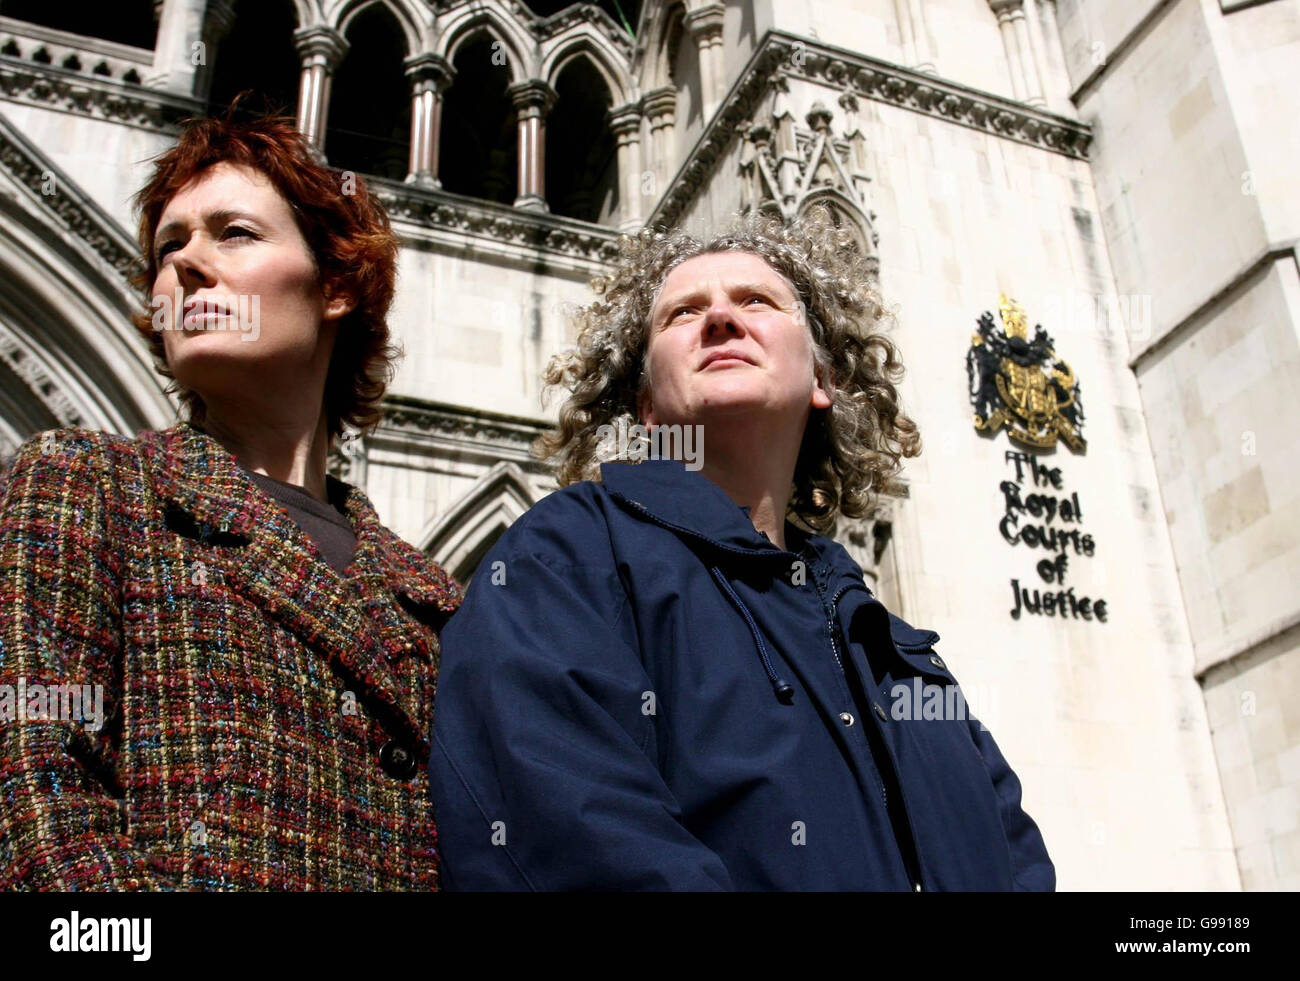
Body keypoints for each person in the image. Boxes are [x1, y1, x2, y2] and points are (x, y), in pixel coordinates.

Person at [428, 208, 1055, 890]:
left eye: (756, 300)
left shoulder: (897, 654)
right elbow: (572, 833)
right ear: (645, 407)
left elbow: (1015, 857)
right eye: (683, 313)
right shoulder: (564, 559)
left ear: (822, 380)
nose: (722, 319)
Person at [0, 106, 460, 890]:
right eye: (169, 245)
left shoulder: (432, 596)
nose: (184, 264)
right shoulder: (87, 484)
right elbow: (36, 797)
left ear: (338, 284)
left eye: (234, 233)